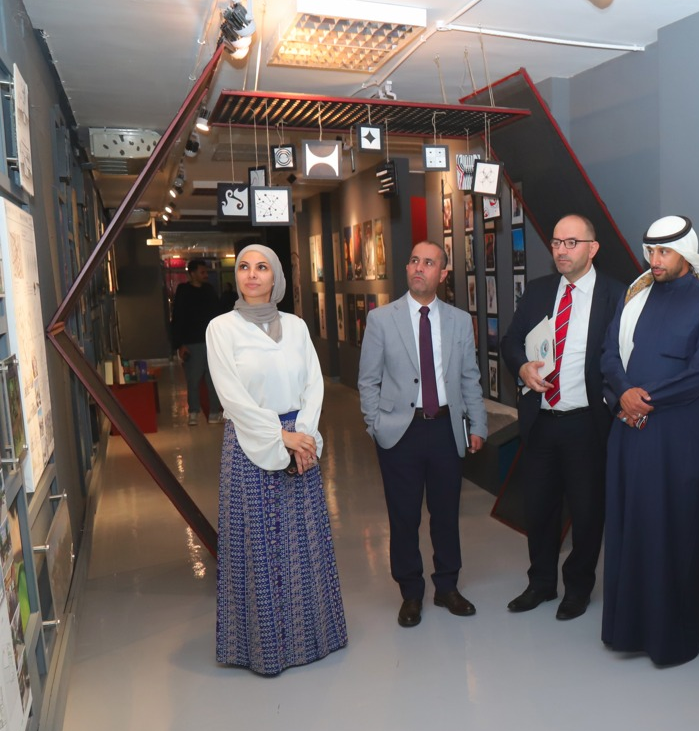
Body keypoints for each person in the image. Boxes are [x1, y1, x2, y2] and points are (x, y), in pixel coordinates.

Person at [205, 244, 347, 676]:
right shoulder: (221, 329)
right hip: (251, 443)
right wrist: (279, 436)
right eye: (244, 267)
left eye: (262, 267)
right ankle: (264, 648)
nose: (252, 275)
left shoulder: (297, 327)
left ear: (276, 277)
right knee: (258, 548)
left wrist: (303, 435)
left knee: (304, 543)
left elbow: (314, 384)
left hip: (300, 438)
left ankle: (313, 637)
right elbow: (232, 397)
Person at [600, 216, 699, 666]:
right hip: (629, 432)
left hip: (680, 440)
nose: (654, 261)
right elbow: (609, 354)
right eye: (650, 252)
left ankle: (673, 639)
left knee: (674, 531)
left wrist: (644, 399)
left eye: (664, 252)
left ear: (686, 254)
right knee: (629, 527)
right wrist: (624, 393)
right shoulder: (635, 296)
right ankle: (628, 629)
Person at [499, 215, 625, 620]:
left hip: (587, 423)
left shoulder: (615, 296)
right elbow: (511, 341)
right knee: (539, 508)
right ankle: (540, 582)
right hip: (541, 420)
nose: (561, 250)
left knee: (587, 512)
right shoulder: (538, 291)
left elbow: (624, 358)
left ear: (593, 248)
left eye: (571, 243)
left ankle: (578, 587)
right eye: (556, 242)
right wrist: (521, 367)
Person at [358, 240, 488, 628]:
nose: (418, 267)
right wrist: (376, 425)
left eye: (428, 263)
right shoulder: (382, 319)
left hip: (446, 429)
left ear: (442, 274)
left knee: (446, 514)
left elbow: (469, 377)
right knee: (404, 517)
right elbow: (368, 380)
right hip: (400, 432)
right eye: (414, 260)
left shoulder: (459, 321)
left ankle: (447, 587)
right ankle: (411, 593)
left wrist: (478, 424)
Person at [172, 258, 224, 425]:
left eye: (206, 272)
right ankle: (193, 412)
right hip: (192, 342)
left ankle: (214, 412)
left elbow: (218, 314)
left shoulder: (209, 290)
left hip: (211, 341)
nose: (205, 275)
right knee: (193, 379)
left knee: (213, 379)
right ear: (192, 273)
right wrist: (180, 344)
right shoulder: (184, 291)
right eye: (202, 272)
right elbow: (178, 317)